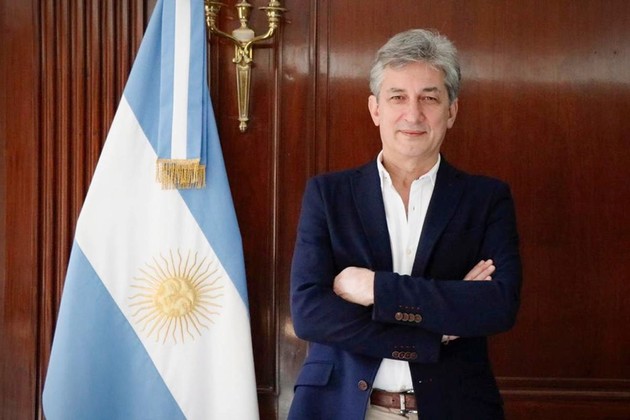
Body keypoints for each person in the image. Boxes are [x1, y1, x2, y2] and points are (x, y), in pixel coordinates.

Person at [288, 28, 522, 420]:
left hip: (456, 408)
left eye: (429, 98)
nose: (413, 114)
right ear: (375, 109)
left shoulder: (486, 199)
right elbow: (310, 313)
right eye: (398, 97)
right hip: (340, 408)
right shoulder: (328, 195)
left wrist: (375, 288)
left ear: (451, 111)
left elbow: (497, 305)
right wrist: (433, 331)